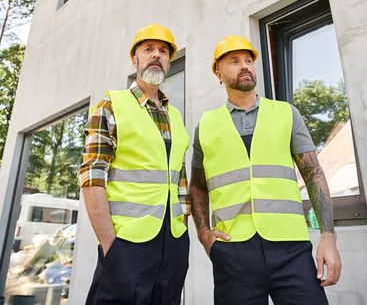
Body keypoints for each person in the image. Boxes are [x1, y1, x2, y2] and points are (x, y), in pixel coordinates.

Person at [190, 35, 341, 305]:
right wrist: (204, 235)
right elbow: (197, 186)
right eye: (234, 61)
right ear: (218, 72)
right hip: (232, 252)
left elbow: (314, 174)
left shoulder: (286, 113)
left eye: (248, 60)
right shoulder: (206, 125)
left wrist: (328, 237)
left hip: (291, 247)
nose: (244, 65)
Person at [79, 24, 190, 305]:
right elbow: (92, 177)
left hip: (173, 243)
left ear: (169, 61)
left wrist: (182, 229)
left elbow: (179, 178)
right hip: (125, 244)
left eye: (163, 51)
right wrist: (109, 245)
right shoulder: (111, 105)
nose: (157, 55)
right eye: (148, 49)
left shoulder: (175, 115)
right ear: (135, 60)